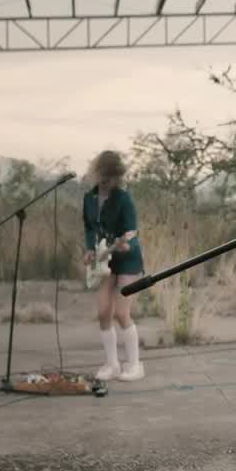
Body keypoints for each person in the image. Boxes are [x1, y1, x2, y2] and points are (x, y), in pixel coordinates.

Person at [82, 149, 146, 382]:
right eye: (104, 176)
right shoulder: (89, 198)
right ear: (97, 172)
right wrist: (90, 249)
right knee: (103, 313)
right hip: (103, 261)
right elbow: (89, 227)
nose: (107, 182)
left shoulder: (124, 198)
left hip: (128, 260)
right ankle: (112, 365)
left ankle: (135, 365)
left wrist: (124, 245)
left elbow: (130, 233)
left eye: (112, 178)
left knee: (121, 313)